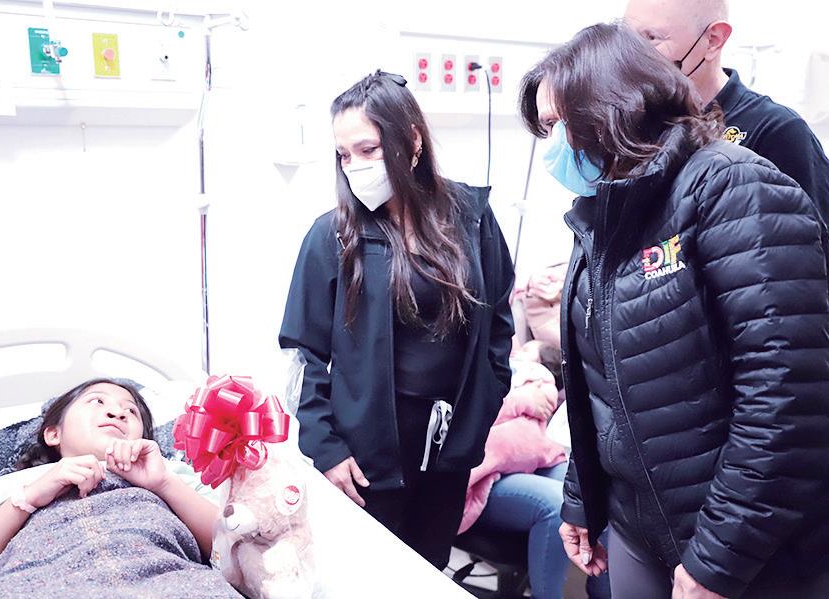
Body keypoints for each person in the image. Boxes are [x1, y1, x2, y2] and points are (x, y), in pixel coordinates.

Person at [519, 22, 829, 599]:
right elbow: (601, 384)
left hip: (746, 541)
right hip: (640, 526)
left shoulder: (733, 187)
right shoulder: (603, 215)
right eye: (547, 128)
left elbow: (787, 397)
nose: (555, 145)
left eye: (562, 122)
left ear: (614, 106)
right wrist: (583, 497)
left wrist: (719, 556)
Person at [278, 70, 515, 570]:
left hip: (449, 447)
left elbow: (497, 324)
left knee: (428, 572)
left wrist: (480, 415)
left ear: (412, 141)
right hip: (364, 455)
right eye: (344, 155)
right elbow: (304, 357)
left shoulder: (472, 219)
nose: (355, 166)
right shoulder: (333, 236)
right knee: (371, 577)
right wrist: (325, 448)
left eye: (367, 149)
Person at [0, 378, 241, 599]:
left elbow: (241, 554)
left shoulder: (171, 474)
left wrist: (164, 484)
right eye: (97, 401)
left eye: (131, 411)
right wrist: (27, 500)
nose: (117, 412)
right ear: (53, 434)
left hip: (180, 585)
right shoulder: (11, 488)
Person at [624, 0, 829, 223]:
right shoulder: (630, 122)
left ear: (713, 40)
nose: (630, 53)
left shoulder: (774, 130)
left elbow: (814, 236)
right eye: (626, 36)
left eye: (651, 37)